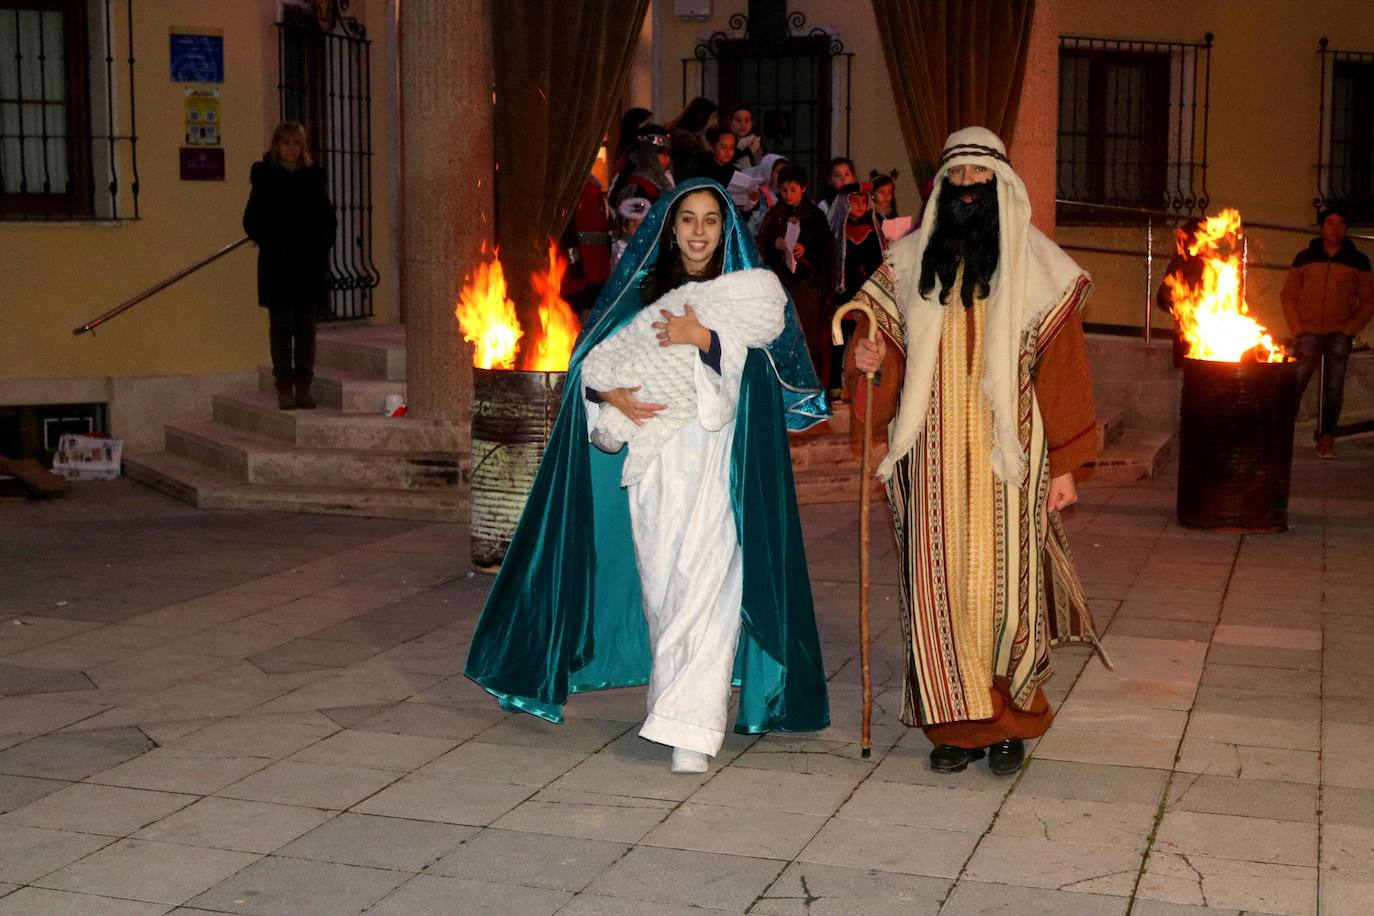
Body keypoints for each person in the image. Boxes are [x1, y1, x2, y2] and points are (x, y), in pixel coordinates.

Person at [465, 178, 831, 774]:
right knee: (663, 587)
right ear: (669, 227)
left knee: (708, 584)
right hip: (655, 466)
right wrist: (612, 394)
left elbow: (760, 379)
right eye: (687, 219)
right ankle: (676, 704)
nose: (698, 231)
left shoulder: (744, 295)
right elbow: (592, 370)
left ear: (726, 229)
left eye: (710, 220)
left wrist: (704, 338)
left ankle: (692, 730)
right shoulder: (639, 296)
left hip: (718, 462)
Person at [850, 127, 1103, 777]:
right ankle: (954, 730)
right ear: (941, 188)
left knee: (1006, 597)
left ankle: (1011, 720)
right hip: (927, 459)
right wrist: (867, 361)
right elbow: (878, 350)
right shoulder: (907, 264)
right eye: (956, 177)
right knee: (936, 592)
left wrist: (1067, 466)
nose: (967, 188)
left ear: (1002, 184)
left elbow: (1064, 373)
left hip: (1008, 461)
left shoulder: (1042, 266)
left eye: (979, 176)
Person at [242, 121, 336, 411]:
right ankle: (284, 385)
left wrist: (319, 243)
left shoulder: (313, 177)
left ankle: (303, 386)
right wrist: (272, 240)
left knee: (306, 328)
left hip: (309, 265)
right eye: (286, 143)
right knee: (282, 328)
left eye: (296, 143)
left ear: (303, 146)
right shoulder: (265, 177)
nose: (291, 149)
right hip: (278, 265)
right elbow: (251, 220)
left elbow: (328, 219)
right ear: (276, 146)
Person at [1281, 205, 1374, 458]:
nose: (1335, 228)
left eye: (1340, 223)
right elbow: (1288, 295)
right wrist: (1297, 328)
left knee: (1333, 388)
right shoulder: (1304, 257)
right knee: (1294, 384)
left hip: (1339, 333)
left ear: (1346, 229)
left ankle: (1326, 439)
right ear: (1322, 227)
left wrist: (1350, 330)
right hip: (1307, 332)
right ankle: (1280, 434)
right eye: (1330, 223)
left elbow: (1368, 300)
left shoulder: (1359, 261)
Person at [758, 164, 834, 384]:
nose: (788, 195)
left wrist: (805, 250)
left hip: (807, 286)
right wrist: (777, 245)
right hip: (782, 284)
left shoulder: (815, 216)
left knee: (807, 335)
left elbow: (827, 250)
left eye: (793, 190)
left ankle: (808, 383)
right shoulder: (775, 215)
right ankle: (782, 383)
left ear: (803, 188)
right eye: (783, 190)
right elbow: (763, 243)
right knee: (782, 333)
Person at [665, 97, 718, 179]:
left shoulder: (693, 137)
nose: (716, 122)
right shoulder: (685, 140)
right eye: (713, 118)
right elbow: (689, 170)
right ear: (701, 117)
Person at [728, 103, 764, 168]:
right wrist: (746, 152)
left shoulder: (755, 143)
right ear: (730, 123)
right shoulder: (724, 141)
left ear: (752, 123)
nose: (743, 125)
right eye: (738, 120)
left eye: (747, 120)